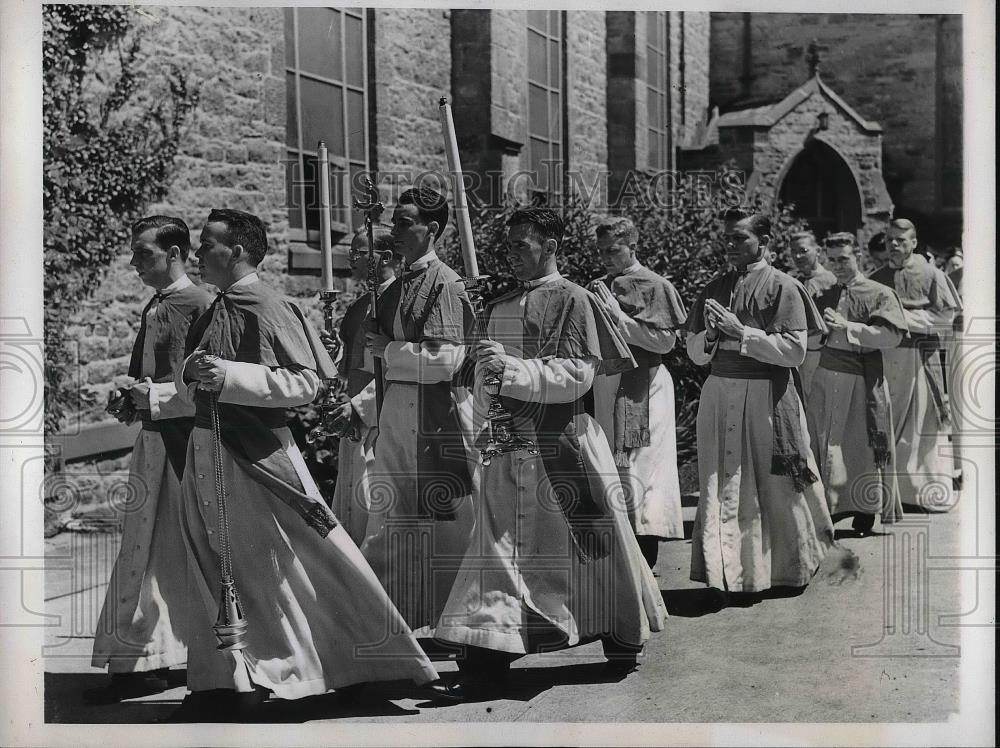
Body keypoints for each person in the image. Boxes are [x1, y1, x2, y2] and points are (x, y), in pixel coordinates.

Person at [173, 209, 439, 718]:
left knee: (274, 570)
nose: (198, 254)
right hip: (207, 450)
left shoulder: (271, 305)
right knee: (212, 567)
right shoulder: (209, 310)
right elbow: (194, 383)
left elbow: (305, 383)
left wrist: (228, 374)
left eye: (207, 245)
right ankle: (222, 681)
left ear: (240, 252)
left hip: (257, 456)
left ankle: (297, 673)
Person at [432, 208, 667, 700]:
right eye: (510, 245)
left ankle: (618, 631)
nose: (512, 254)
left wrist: (511, 369)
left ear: (552, 245)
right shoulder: (496, 304)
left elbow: (576, 376)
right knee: (496, 550)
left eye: (523, 245)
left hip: (563, 442)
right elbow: (480, 376)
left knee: (591, 549)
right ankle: (487, 656)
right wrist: (487, 384)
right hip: (508, 441)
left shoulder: (573, 299)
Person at [88, 216, 213, 703]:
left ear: (176, 252)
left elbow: (201, 382)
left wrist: (151, 395)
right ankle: (145, 657)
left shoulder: (200, 305)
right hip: (155, 443)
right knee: (146, 550)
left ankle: (163, 656)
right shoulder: (155, 306)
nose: (135, 262)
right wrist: (127, 396)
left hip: (188, 444)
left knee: (180, 550)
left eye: (144, 253)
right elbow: (145, 371)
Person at [685, 209, 835, 601]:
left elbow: (795, 351)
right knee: (724, 482)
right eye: (728, 239)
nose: (730, 246)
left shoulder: (783, 286)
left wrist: (743, 332)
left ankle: (787, 568)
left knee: (773, 485)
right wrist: (713, 338)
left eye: (740, 239)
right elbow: (694, 352)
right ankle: (729, 574)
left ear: (763, 243)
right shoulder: (714, 286)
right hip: (720, 393)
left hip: (767, 397)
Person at [359, 187, 477, 635]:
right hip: (397, 411)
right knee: (393, 517)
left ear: (433, 229)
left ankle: (457, 623)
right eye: (394, 221)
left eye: (405, 222)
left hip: (437, 412)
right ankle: (394, 621)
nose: (395, 230)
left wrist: (390, 349)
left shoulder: (445, 282)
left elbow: (446, 359)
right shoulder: (401, 282)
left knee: (447, 522)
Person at [588, 216, 687, 570]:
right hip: (605, 381)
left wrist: (619, 318)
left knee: (644, 464)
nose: (605, 258)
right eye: (600, 251)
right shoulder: (598, 285)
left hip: (645, 382)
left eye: (612, 250)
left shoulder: (654, 285)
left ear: (633, 246)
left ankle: (647, 545)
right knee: (610, 465)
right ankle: (620, 545)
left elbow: (666, 341)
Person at [805, 233, 908, 535]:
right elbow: (809, 339)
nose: (837, 266)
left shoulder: (879, 292)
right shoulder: (822, 292)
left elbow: (892, 336)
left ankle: (864, 510)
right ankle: (830, 508)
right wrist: (819, 332)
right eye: (832, 260)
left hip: (863, 381)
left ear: (859, 255)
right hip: (826, 376)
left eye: (844, 259)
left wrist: (849, 327)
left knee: (859, 447)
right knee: (823, 442)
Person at [870, 219, 962, 511]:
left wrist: (906, 320)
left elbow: (946, 318)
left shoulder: (932, 274)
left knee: (922, 427)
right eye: (889, 240)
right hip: (885, 359)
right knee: (889, 424)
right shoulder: (874, 278)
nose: (894, 245)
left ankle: (922, 494)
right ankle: (892, 494)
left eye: (900, 240)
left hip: (920, 358)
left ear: (913, 243)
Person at [326, 226, 399, 545]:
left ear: (385, 256)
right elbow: (347, 369)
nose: (350, 259)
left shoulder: (399, 300)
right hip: (355, 416)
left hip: (382, 418)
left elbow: (397, 369)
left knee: (373, 505)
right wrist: (331, 353)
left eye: (359, 252)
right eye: (351, 252)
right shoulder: (358, 306)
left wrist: (359, 406)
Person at [790, 231, 838, 394]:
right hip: (798, 357)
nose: (798, 256)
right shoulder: (793, 282)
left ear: (817, 251)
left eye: (803, 251)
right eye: (793, 252)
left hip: (824, 356)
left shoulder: (832, 281)